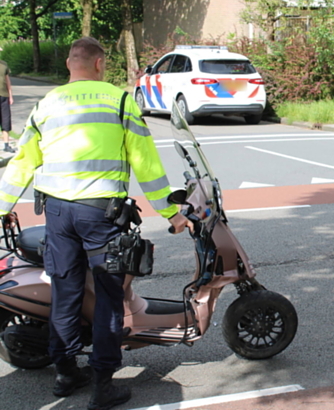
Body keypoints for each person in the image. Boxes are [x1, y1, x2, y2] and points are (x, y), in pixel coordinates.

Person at [0, 37, 191, 410]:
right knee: (108, 296)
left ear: (70, 65)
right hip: (100, 215)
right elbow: (146, 164)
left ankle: (66, 373)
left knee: (67, 293)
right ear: (100, 64)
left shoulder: (46, 104)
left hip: (57, 213)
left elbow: (22, 161)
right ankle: (103, 384)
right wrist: (172, 213)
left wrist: (2, 207)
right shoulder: (118, 101)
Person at [0, 50, 16, 153]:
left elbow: (7, 80)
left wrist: (10, 95)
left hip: (4, 96)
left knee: (6, 121)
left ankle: (6, 145)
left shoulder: (4, 64)